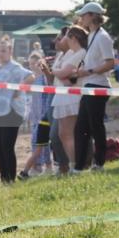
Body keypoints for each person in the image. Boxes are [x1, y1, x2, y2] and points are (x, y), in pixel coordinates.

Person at [72, 2, 116, 171]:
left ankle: (99, 162)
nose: (81, 17)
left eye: (84, 15)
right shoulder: (92, 36)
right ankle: (81, 165)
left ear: (92, 16)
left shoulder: (103, 36)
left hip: (98, 86)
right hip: (90, 85)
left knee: (94, 126)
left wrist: (88, 71)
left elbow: (110, 62)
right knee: (82, 127)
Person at [0, 36, 34, 183]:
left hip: (11, 112)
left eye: (3, 51)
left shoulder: (15, 68)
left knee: (7, 145)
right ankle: (4, 178)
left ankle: (10, 179)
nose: (1, 54)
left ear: (10, 51)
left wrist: (18, 89)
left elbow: (30, 76)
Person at [49, 25, 88, 175]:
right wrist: (59, 73)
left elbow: (64, 72)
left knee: (68, 132)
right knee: (62, 133)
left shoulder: (81, 52)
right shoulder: (70, 53)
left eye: (66, 36)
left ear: (74, 38)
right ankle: (72, 164)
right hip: (63, 95)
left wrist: (55, 71)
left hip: (71, 96)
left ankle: (74, 165)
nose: (63, 39)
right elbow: (62, 74)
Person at [19, 52, 54, 179]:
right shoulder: (33, 79)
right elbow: (30, 98)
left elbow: (49, 91)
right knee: (35, 142)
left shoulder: (44, 78)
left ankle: (48, 165)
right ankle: (37, 166)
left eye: (35, 63)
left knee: (42, 142)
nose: (32, 66)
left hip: (43, 114)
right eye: (30, 64)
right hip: (35, 114)